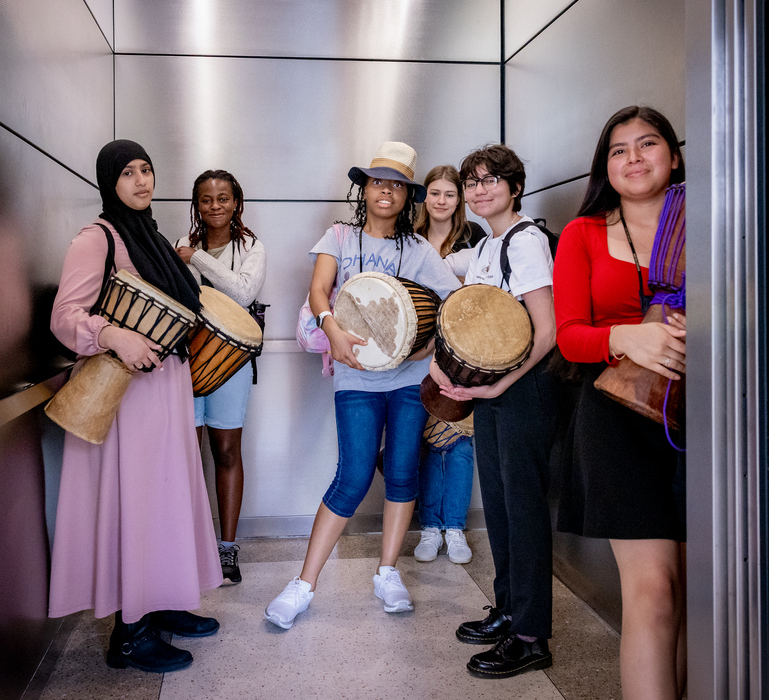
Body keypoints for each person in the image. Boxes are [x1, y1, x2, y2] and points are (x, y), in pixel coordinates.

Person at [264, 142, 460, 629]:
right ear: (365, 189)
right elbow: (317, 290)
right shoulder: (339, 237)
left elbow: (454, 303)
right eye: (378, 181)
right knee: (352, 475)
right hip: (355, 376)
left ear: (407, 194)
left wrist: (426, 346)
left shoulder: (417, 249)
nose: (386, 190)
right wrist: (330, 326)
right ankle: (303, 584)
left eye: (396, 184)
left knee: (400, 472)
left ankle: (387, 572)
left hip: (410, 380)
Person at [48, 140, 223, 673]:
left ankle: (162, 602)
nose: (142, 181)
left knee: (163, 500)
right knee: (138, 505)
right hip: (127, 397)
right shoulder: (96, 237)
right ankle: (130, 633)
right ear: (109, 181)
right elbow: (64, 316)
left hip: (162, 389)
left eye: (147, 170)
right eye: (128, 173)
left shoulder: (150, 236)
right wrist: (112, 335)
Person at [552, 106, 688, 699]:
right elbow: (568, 334)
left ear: (674, 155)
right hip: (617, 418)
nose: (633, 158)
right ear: (605, 165)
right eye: (619, 149)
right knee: (653, 591)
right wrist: (625, 336)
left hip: (707, 420)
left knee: (694, 593)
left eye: (647, 144)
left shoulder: (714, 220)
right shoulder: (584, 233)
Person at [431, 144, 557, 678]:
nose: (481, 189)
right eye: (472, 182)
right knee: (502, 509)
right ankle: (508, 611)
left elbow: (546, 332)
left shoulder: (526, 242)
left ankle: (531, 637)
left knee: (524, 511)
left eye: (491, 180)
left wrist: (499, 385)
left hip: (523, 391)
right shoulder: (488, 244)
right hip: (493, 391)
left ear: (515, 186)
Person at [175, 169, 267, 585]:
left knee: (227, 452)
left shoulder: (251, 247)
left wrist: (194, 259)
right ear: (196, 204)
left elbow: (243, 294)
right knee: (187, 458)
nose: (215, 206)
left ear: (237, 203)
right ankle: (187, 546)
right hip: (184, 363)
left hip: (230, 365)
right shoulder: (181, 243)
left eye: (223, 198)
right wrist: (187, 255)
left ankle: (227, 550)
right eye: (206, 199)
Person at [411, 164, 485, 564]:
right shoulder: (409, 239)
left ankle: (455, 528)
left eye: (450, 194)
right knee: (422, 442)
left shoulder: (474, 239)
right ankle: (428, 528)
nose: (441, 201)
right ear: (424, 197)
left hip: (462, 356)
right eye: (434, 193)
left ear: (460, 200)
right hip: (417, 356)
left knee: (459, 444)